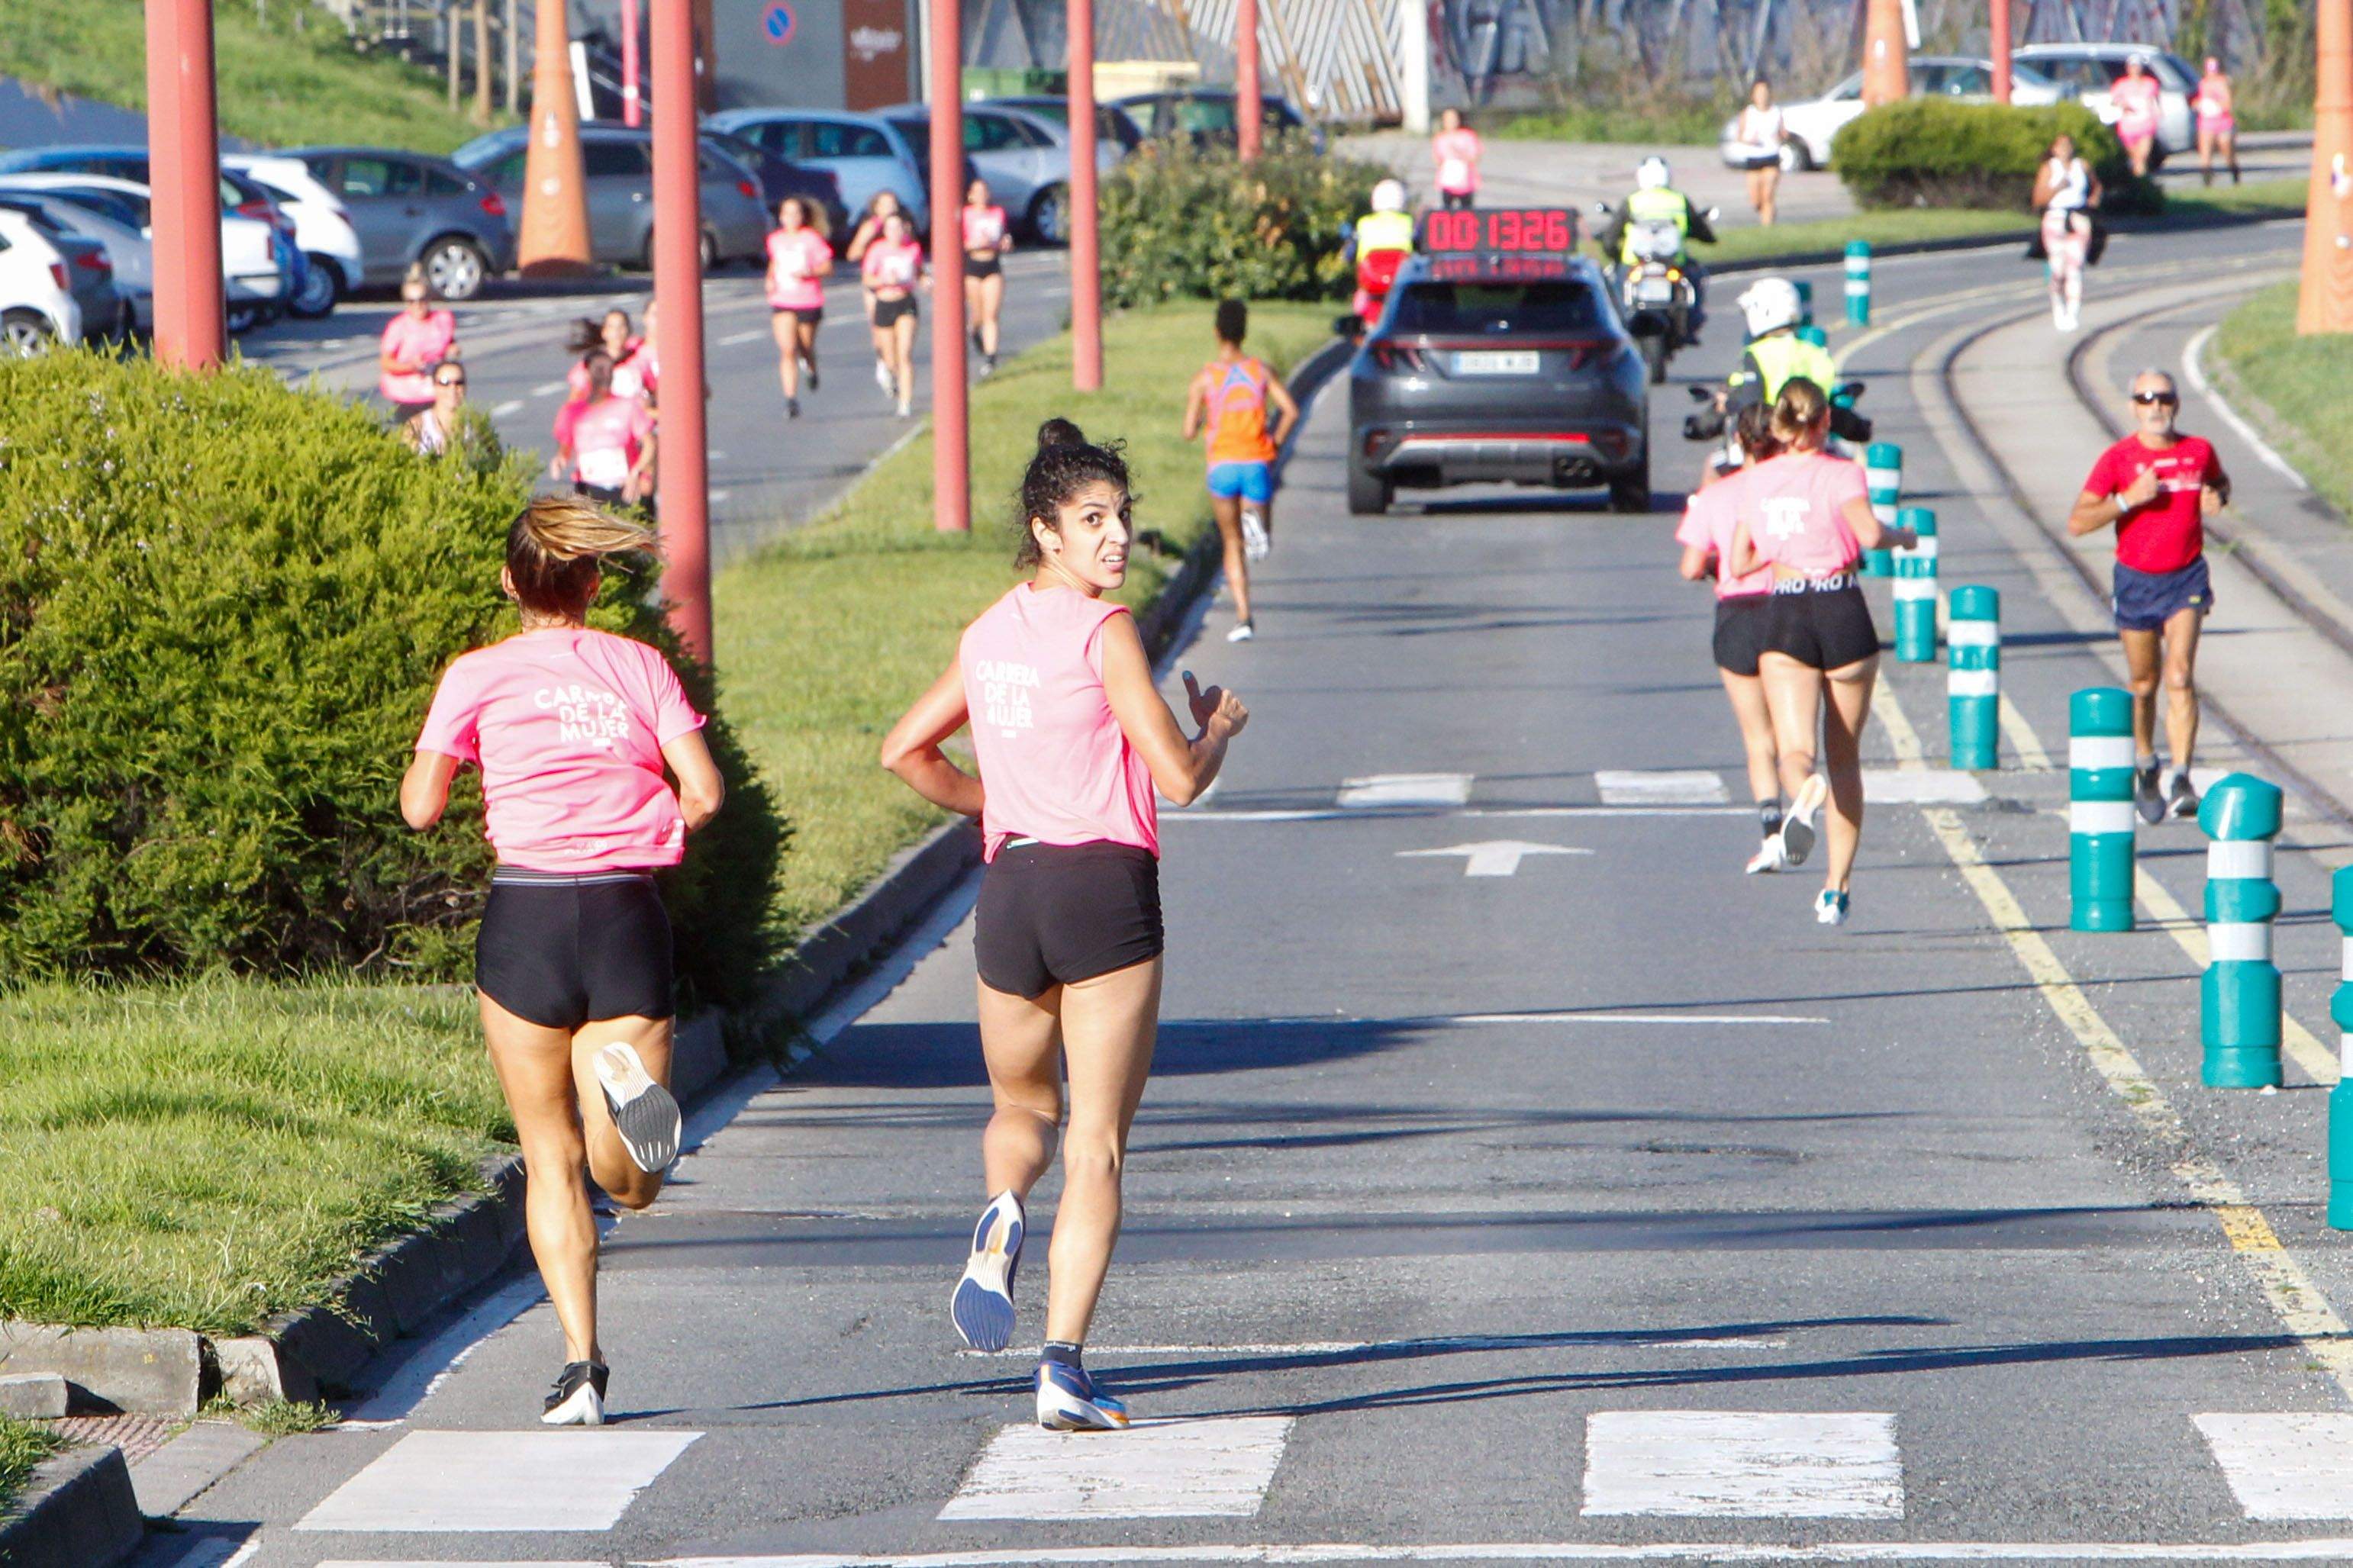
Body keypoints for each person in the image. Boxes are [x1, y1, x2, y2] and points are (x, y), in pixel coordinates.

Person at [878, 418, 1249, 1432]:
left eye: (1121, 518)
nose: (1114, 539)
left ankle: (998, 1220)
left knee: (1018, 1109)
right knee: (1096, 1141)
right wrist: (1213, 725)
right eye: (1091, 521)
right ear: (1044, 530)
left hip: (1009, 889)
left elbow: (904, 750)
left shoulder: (988, 629)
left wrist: (991, 798)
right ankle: (1061, 1365)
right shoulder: (1105, 629)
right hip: (1102, 887)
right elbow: (1173, 776)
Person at [400, 497, 725, 1426]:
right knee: (635, 1183)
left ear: (511, 584)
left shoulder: (475, 674)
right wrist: (654, 829)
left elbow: (422, 807)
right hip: (625, 908)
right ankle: (622, 1094)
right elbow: (702, 791)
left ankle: (581, 1367)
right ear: (590, 582)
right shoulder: (640, 665)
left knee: (548, 1160)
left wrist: (452, 762)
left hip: (525, 920)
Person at [1723, 378, 1916, 926]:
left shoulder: (1755, 480)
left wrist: (1782, 545)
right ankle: (1835, 889)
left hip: (1786, 609)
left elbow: (1737, 561)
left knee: (1794, 750)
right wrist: (1902, 536)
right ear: (1824, 421)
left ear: (1781, 424)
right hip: (1841, 607)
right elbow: (1869, 535)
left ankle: (1803, 790)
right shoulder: (1841, 473)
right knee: (1846, 754)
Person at [2065, 369, 2229, 823]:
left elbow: (2219, 483)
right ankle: (2145, 763)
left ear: (2176, 404)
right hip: (2136, 580)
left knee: (2179, 676)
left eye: (2163, 398)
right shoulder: (2119, 458)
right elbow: (2077, 523)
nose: (2155, 407)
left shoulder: (2198, 451)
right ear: (2133, 406)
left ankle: (2181, 776)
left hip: (2187, 577)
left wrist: (2217, 498)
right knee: (2144, 684)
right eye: (2145, 399)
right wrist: (2128, 500)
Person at [1676, 401, 1789, 874]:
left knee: (1757, 737)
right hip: (1789, 607)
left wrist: (1719, 566)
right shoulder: (1790, 492)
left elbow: (1689, 568)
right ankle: (1805, 796)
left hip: (1737, 615)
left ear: (1738, 442)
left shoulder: (1718, 495)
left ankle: (1771, 835)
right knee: (1794, 732)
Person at [1180, 299, 1300, 643]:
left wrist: (1202, 416)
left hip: (1222, 465)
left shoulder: (1204, 379)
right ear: (1244, 332)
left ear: (1217, 332)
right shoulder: (1261, 371)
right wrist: (1274, 443)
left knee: (1231, 543)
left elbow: (1188, 431)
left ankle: (1244, 615)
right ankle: (1255, 524)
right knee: (1261, 533)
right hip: (1256, 460)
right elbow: (1290, 410)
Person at [1597, 156, 1716, 315]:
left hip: (1634, 262)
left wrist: (1616, 255)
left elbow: (1610, 239)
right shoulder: (1679, 200)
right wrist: (1708, 238)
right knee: (1696, 278)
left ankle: (1621, 320)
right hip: (1674, 261)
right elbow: (1699, 228)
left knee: (1616, 294)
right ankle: (1692, 317)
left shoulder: (1633, 201)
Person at [550, 349, 656, 507]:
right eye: (599, 370)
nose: (605, 375)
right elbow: (565, 446)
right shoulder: (573, 411)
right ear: (587, 374)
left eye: (609, 370)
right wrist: (560, 459)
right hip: (589, 490)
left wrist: (636, 473)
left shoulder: (627, 406)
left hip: (624, 489)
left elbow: (650, 444)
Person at [766, 196, 833, 420]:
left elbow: (827, 266)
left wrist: (810, 273)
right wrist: (770, 278)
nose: (791, 218)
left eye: (796, 213)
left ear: (803, 217)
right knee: (787, 349)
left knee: (805, 346)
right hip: (783, 299)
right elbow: (775, 262)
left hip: (808, 299)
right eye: (787, 214)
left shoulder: (811, 239)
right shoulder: (775, 240)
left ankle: (811, 367)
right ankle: (791, 399)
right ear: (781, 217)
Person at [2030, 134, 2101, 333]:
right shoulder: (2049, 168)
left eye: (2068, 145)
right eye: (2060, 146)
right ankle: (2058, 305)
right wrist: (2057, 188)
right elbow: (2038, 199)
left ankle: (2073, 311)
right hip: (2056, 218)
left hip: (2078, 217)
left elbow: (2096, 185)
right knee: (2058, 268)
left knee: (2076, 266)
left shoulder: (2082, 165)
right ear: (2053, 149)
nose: (2065, 150)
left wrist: (2094, 200)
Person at [862, 209, 927, 418]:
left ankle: (905, 402)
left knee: (905, 352)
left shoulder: (913, 249)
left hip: (905, 301)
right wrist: (884, 281)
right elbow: (867, 279)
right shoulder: (877, 250)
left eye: (899, 227)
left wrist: (926, 281)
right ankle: (892, 376)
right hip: (884, 302)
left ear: (905, 229)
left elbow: (919, 272)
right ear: (885, 231)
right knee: (891, 358)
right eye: (890, 228)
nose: (895, 232)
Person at [848, 191, 907, 398]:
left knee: (900, 333)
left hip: (899, 285)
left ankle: (897, 368)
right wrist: (872, 251)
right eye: (885, 204)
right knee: (879, 330)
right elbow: (853, 253)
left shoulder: (903, 226)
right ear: (876, 208)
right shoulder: (871, 227)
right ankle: (884, 364)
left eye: (893, 203)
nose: (891, 208)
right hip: (876, 283)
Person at [379, 267, 456, 422]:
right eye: (411, 301)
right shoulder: (398, 326)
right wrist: (411, 366)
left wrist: (452, 352)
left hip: (435, 392)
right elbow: (386, 363)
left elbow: (449, 343)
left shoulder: (441, 320)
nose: (418, 305)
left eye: (422, 299)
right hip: (407, 396)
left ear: (429, 299)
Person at [1349, 178, 1417, 333]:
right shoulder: (1407, 222)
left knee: (1363, 300)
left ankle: (1364, 324)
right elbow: (1417, 242)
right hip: (1400, 279)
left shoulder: (1364, 223)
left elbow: (1352, 250)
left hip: (1371, 280)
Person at [962, 177, 1014, 377]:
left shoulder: (997, 213)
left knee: (991, 314)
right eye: (978, 192)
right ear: (971, 196)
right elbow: (959, 242)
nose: (982, 195)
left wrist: (1005, 242)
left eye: (985, 191)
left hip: (993, 264)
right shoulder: (966, 215)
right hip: (973, 266)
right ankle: (974, 331)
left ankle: (991, 358)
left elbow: (1005, 237)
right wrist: (974, 243)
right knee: (978, 315)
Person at [1730, 79, 1791, 226]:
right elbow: (1739, 136)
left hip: (1771, 157)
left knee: (1767, 196)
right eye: (1759, 93)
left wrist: (1781, 137)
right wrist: (1748, 140)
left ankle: (1767, 230)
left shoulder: (1776, 112)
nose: (1762, 96)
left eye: (1765, 92)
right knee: (1756, 200)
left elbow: (1784, 134)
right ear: (1753, 96)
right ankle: (1767, 212)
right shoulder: (1748, 113)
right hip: (1753, 158)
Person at [2110, 54, 2164, 179]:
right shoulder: (2121, 85)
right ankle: (2140, 186)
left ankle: (2142, 184)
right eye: (2132, 66)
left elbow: (2155, 101)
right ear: (2128, 68)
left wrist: (2158, 113)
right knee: (2135, 159)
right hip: (2128, 127)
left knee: (2142, 157)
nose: (2135, 69)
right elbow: (2114, 100)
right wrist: (2124, 105)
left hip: (2146, 125)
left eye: (2137, 66)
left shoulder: (2151, 84)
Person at [403, 358, 467, 456]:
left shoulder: (475, 426)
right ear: (434, 386)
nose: (452, 389)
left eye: (459, 383)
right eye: (445, 383)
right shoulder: (417, 425)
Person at [2195, 56, 2240, 186]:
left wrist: (2216, 105)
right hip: (2206, 122)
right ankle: (2207, 183)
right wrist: (2199, 105)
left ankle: (2234, 172)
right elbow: (2198, 100)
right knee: (2205, 155)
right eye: (2209, 69)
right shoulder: (2202, 83)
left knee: (2227, 151)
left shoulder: (2223, 82)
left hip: (2223, 122)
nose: (2212, 72)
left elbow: (2228, 103)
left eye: (2214, 69)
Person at [1432, 106, 1481, 210]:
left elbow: (1475, 157)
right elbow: (1437, 159)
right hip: (1448, 182)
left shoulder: (1468, 136)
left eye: (1453, 119)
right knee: (1446, 211)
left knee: (1467, 211)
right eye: (1448, 120)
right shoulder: (1440, 138)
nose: (1451, 122)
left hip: (1465, 183)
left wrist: (1459, 153)